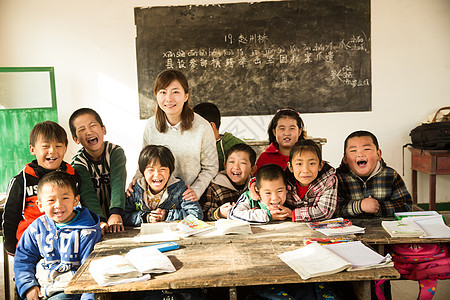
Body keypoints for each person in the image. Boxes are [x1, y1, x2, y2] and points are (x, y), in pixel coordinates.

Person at [128, 70, 218, 202]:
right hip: (158, 198)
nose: (168, 99)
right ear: (156, 95)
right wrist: (135, 182)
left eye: (175, 92)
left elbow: (211, 167)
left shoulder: (202, 127)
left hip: (188, 198)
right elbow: (145, 162)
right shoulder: (151, 125)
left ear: (186, 96)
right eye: (163, 92)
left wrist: (196, 191)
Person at [14, 171, 102, 300]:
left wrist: (88, 298)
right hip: (41, 287)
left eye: (65, 198)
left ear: (76, 200)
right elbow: (23, 259)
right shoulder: (36, 228)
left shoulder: (87, 231)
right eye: (51, 200)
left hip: (68, 290)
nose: (58, 205)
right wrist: (29, 286)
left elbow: (90, 270)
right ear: (40, 205)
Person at [2, 121, 78, 255]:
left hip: (68, 245)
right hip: (32, 247)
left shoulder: (73, 176)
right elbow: (10, 217)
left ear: (65, 148)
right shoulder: (21, 181)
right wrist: (12, 249)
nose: (52, 151)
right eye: (45, 146)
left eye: (58, 146)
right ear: (32, 149)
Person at [69, 108, 127, 234]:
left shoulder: (115, 152)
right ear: (76, 139)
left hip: (118, 214)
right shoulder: (78, 163)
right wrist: (99, 220)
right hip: (93, 218)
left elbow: (118, 183)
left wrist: (116, 213)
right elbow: (87, 194)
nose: (89, 132)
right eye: (82, 129)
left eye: (93, 126)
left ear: (104, 129)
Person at [335, 130, 412, 217]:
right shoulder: (337, 178)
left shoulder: (391, 175)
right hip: (347, 228)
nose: (360, 154)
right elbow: (332, 209)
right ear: (345, 158)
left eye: (367, 149)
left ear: (378, 154)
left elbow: (406, 205)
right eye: (353, 150)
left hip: (382, 227)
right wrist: (359, 206)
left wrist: (379, 208)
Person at [123, 145, 203, 226]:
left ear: (170, 172)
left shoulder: (180, 189)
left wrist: (166, 215)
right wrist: (146, 218)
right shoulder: (135, 190)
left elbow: (196, 215)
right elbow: (123, 216)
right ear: (143, 172)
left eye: (162, 169)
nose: (157, 175)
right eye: (150, 170)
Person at [200, 143, 256, 221]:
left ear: (253, 169)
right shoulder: (215, 188)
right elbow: (203, 213)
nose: (236, 167)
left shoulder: (255, 188)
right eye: (231, 162)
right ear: (225, 165)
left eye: (242, 163)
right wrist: (220, 213)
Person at [285, 139, 338, 221]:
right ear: (290, 167)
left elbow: (324, 212)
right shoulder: (284, 180)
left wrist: (293, 214)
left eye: (312, 163)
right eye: (299, 164)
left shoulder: (328, 180)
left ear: (320, 165)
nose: (305, 170)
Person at [193, 102, 245, 171]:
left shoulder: (239, 147)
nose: (191, 129)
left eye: (195, 126)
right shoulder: (191, 145)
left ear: (211, 126)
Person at [255, 108, 306, 173]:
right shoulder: (264, 157)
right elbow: (256, 180)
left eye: (292, 128)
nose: (287, 133)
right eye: (282, 128)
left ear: (299, 132)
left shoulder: (307, 155)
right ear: (274, 132)